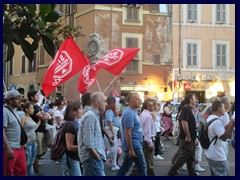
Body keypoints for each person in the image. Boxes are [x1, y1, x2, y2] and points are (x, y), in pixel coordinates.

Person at [116, 93, 147, 176]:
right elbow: (127, 132)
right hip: (134, 144)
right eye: (136, 99)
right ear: (129, 101)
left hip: (135, 143)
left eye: (139, 99)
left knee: (126, 166)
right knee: (142, 166)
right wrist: (131, 149)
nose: (139, 101)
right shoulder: (129, 113)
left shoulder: (133, 112)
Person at [168, 93, 198, 176]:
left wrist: (194, 138)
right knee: (183, 156)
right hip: (186, 138)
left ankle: (192, 173)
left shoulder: (190, 109)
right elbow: (184, 122)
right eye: (194, 98)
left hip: (191, 138)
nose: (196, 100)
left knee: (191, 157)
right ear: (190, 100)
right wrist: (188, 136)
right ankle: (171, 172)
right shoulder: (186, 108)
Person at [78, 92, 107, 176]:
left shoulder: (93, 115)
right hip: (92, 159)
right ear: (97, 103)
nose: (106, 103)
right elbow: (88, 142)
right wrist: (97, 157)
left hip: (92, 158)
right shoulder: (90, 116)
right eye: (104, 101)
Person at [205, 100, 235, 176]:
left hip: (210, 154)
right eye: (223, 107)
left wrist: (229, 124)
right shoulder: (217, 122)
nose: (224, 109)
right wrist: (232, 126)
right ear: (219, 109)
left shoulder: (210, 118)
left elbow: (218, 132)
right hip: (217, 156)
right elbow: (224, 137)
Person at [3, 90, 27, 176]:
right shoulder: (4, 111)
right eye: (17, 99)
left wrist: (22, 142)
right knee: (8, 172)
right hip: (10, 148)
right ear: (10, 100)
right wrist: (8, 149)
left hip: (19, 147)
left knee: (22, 170)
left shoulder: (15, 110)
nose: (20, 100)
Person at [28, 91, 49, 176]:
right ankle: (37, 173)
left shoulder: (37, 106)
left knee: (42, 151)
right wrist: (45, 116)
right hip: (37, 132)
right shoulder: (33, 107)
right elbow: (43, 118)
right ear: (32, 97)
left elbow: (46, 115)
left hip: (41, 131)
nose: (38, 97)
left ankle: (33, 165)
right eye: (36, 95)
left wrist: (45, 116)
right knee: (36, 153)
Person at [60, 101, 82, 176]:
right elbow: (69, 147)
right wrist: (84, 147)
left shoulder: (75, 123)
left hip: (73, 157)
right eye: (80, 109)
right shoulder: (70, 125)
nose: (82, 111)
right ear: (74, 112)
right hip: (70, 158)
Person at [20, 101, 39, 176]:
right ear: (26, 109)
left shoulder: (30, 117)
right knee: (27, 163)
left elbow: (33, 128)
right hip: (28, 143)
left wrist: (40, 121)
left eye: (33, 108)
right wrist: (22, 143)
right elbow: (20, 131)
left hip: (34, 142)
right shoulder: (23, 118)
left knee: (31, 162)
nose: (33, 110)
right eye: (31, 108)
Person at [104, 96, 121, 171]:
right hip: (111, 131)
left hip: (113, 130)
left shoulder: (110, 111)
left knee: (114, 149)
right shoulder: (109, 111)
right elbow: (109, 122)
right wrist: (113, 133)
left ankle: (113, 164)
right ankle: (101, 158)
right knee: (112, 149)